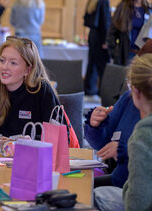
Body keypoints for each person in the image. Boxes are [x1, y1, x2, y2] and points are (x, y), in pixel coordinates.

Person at [0, 36, 59, 149]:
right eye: (2, 61)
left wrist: (32, 141)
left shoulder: (41, 89)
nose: (4, 67)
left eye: (13, 63)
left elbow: (59, 136)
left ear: (27, 70)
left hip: (33, 158)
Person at [94, 48, 152, 211]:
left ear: (136, 91)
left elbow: (136, 203)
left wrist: (122, 149)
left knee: (94, 196)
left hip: (125, 190)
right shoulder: (126, 103)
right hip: (118, 178)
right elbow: (100, 141)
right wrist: (94, 125)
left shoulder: (143, 135)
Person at [84, 90, 140, 188]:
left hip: (136, 186)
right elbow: (101, 144)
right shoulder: (129, 98)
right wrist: (95, 125)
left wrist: (124, 150)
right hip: (118, 176)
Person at [107, 0, 149, 65]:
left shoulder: (148, 9)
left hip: (143, 55)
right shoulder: (123, 7)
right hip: (126, 53)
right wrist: (115, 52)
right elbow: (112, 33)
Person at [83, 0, 111, 96]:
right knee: (103, 66)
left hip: (93, 35)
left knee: (92, 63)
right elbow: (106, 20)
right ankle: (104, 92)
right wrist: (107, 40)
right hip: (101, 37)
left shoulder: (92, 1)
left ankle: (89, 88)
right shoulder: (104, 1)